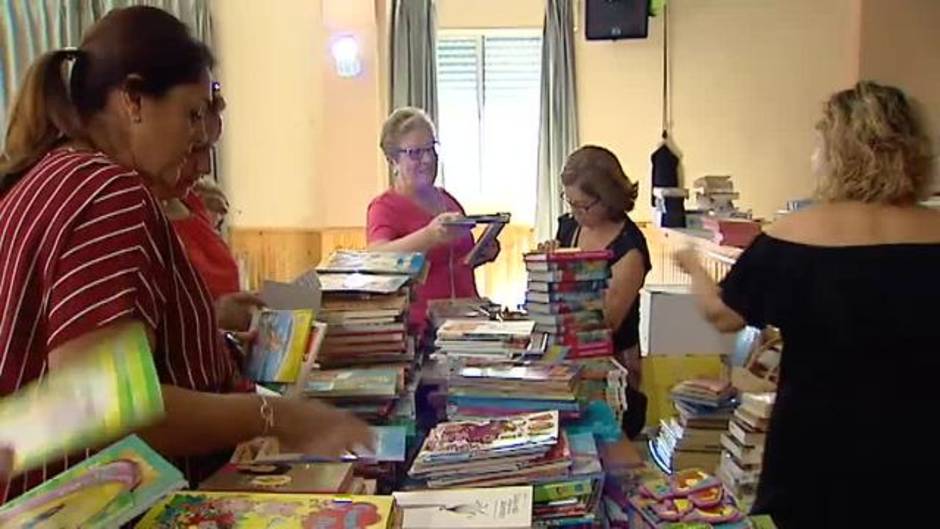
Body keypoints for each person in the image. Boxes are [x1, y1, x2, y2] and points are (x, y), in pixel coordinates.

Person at [0, 6, 371, 500]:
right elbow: (105, 404)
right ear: (133, 99)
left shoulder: (49, 176)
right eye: (191, 114)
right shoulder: (109, 192)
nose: (200, 136)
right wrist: (277, 415)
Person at [676, 81, 938, 528]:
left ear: (836, 152)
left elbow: (724, 316)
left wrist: (693, 268)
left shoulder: (794, 234)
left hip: (816, 444)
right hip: (920, 444)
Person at [367, 107, 499, 330]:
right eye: (415, 153)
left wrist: (481, 253)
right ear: (392, 160)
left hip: (468, 322)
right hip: (421, 330)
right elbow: (377, 257)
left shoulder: (448, 200)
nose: (428, 159)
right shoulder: (384, 207)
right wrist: (429, 236)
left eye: (431, 149)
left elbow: (451, 264)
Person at [542, 146, 652, 386]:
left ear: (608, 198)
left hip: (612, 366)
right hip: (565, 357)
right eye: (569, 202)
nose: (575, 212)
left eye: (583, 205)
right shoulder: (569, 227)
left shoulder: (629, 248)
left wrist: (563, 280)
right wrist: (546, 267)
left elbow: (607, 322)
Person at [164, 83, 240, 302]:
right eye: (195, 149)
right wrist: (215, 318)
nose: (205, 166)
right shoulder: (133, 216)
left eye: (210, 150)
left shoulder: (194, 202)